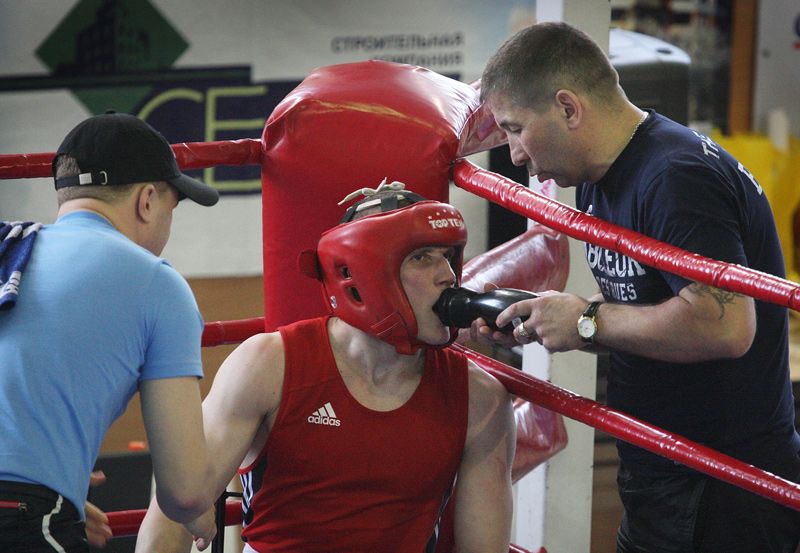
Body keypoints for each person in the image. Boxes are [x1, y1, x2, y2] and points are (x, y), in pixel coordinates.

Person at [475, 21, 800, 553]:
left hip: (721, 484)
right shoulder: (603, 179)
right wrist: (548, 318)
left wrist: (586, 321)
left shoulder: (676, 175)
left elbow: (726, 326)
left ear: (568, 108)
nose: (513, 154)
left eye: (515, 128)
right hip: (663, 469)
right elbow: (646, 305)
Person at [135, 184, 515, 553]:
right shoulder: (269, 366)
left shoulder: (480, 398)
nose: (448, 275)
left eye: (448, 256)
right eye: (422, 258)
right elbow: (174, 510)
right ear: (367, 272)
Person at [0, 112, 223, 552]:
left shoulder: (10, 250)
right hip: (23, 518)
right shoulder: (157, 283)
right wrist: (201, 512)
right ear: (147, 201)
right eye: (171, 209)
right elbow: (184, 491)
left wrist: (57, 487)